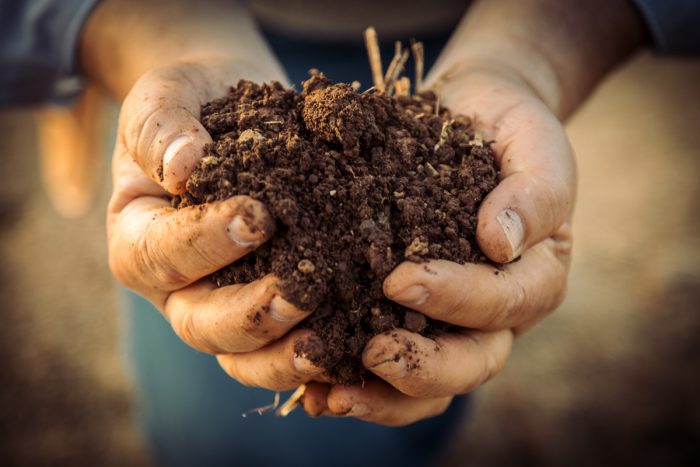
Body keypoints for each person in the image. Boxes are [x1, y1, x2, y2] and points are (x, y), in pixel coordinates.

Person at [2, 0, 699, 466]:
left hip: (487, 21)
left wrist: (530, 58)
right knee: (223, 420)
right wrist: (122, 27)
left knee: (411, 388)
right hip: (185, 23)